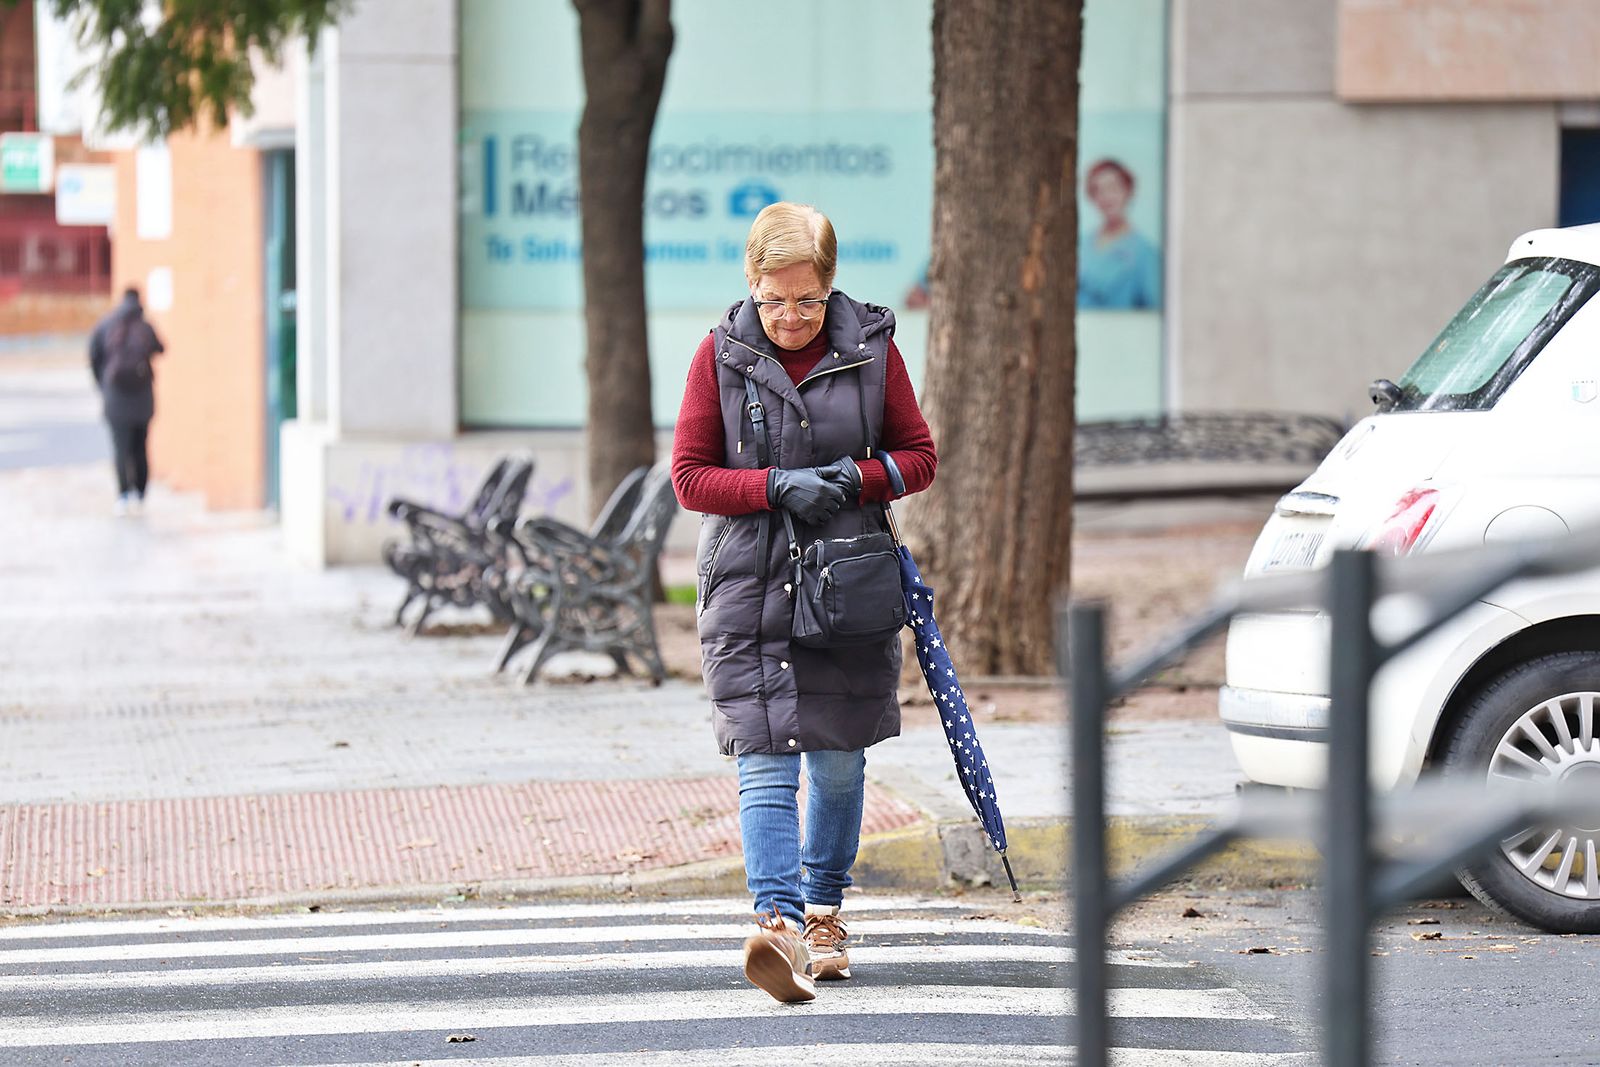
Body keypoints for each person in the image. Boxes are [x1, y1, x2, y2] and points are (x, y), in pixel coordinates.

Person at [671, 202, 937, 1003]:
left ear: (830, 284)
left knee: (839, 758)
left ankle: (823, 911)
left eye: (808, 300)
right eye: (774, 299)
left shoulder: (873, 349)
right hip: (747, 585)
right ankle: (778, 923)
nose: (790, 316)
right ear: (750, 283)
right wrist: (773, 486)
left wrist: (857, 479)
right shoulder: (719, 354)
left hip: (847, 581)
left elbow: (919, 457)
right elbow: (690, 477)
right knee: (762, 755)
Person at [88, 287, 165, 516]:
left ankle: (123, 495)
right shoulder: (145, 327)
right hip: (143, 399)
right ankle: (140, 493)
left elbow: (93, 356)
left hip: (115, 399)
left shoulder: (106, 325)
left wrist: (103, 384)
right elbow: (161, 348)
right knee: (140, 448)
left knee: (120, 449)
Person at [1077, 158, 1161, 309]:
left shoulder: (1145, 253)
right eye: (1098, 190)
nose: (1106, 197)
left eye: (1113, 188)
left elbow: (1153, 308)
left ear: (1127, 191)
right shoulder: (1080, 244)